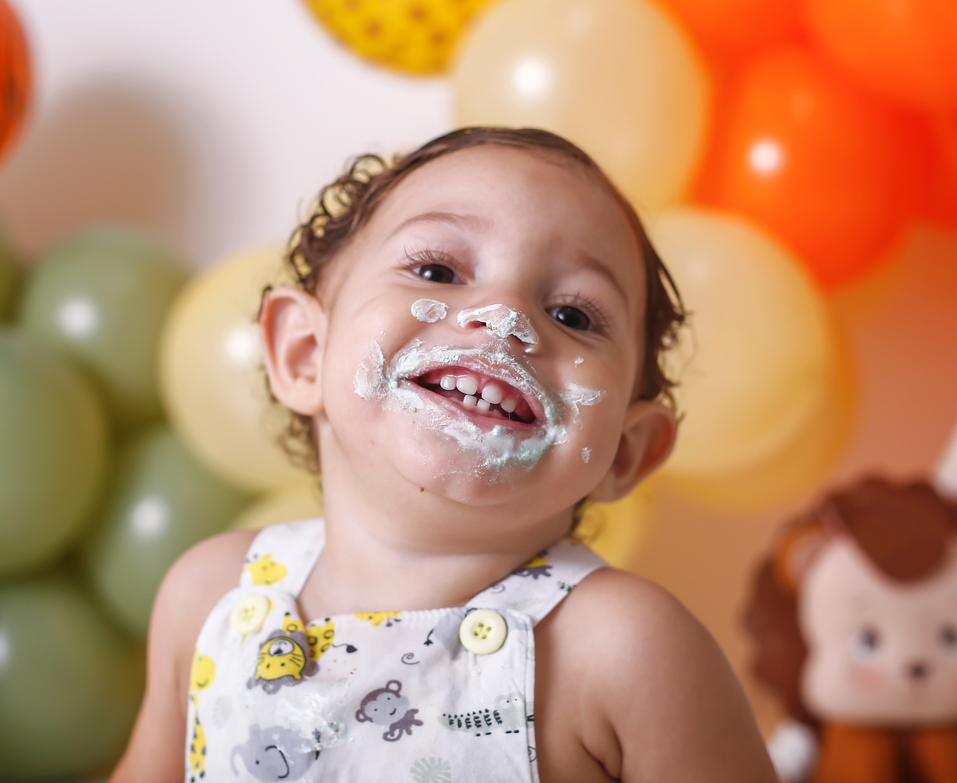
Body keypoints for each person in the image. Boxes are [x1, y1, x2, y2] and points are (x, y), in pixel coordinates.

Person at [110, 127, 777, 782]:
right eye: (437, 270)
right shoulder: (213, 598)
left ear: (625, 454)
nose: (504, 313)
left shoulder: (624, 649)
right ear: (304, 355)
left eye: (574, 314)